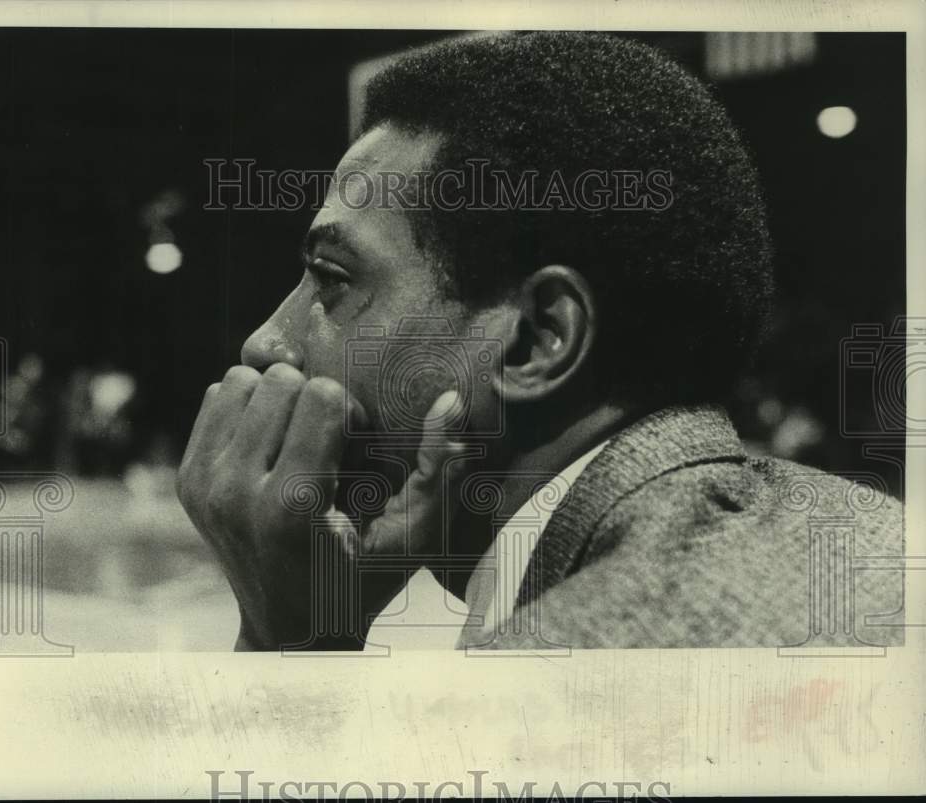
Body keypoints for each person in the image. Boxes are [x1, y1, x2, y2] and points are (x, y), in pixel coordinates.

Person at [176, 31, 902, 650]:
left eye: (331, 279)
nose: (266, 343)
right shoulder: (839, 530)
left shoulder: (572, 666)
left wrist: (289, 645)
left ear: (538, 340)